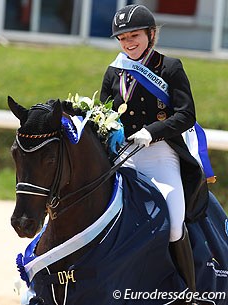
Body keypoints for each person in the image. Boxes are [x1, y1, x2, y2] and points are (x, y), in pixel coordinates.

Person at [100, 4, 214, 305]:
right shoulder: (114, 71)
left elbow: (186, 115)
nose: (128, 43)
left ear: (151, 34)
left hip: (161, 155)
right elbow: (103, 112)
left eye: (134, 35)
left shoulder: (170, 67)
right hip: (124, 157)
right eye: (122, 39)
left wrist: (152, 131)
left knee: (174, 222)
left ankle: (190, 292)